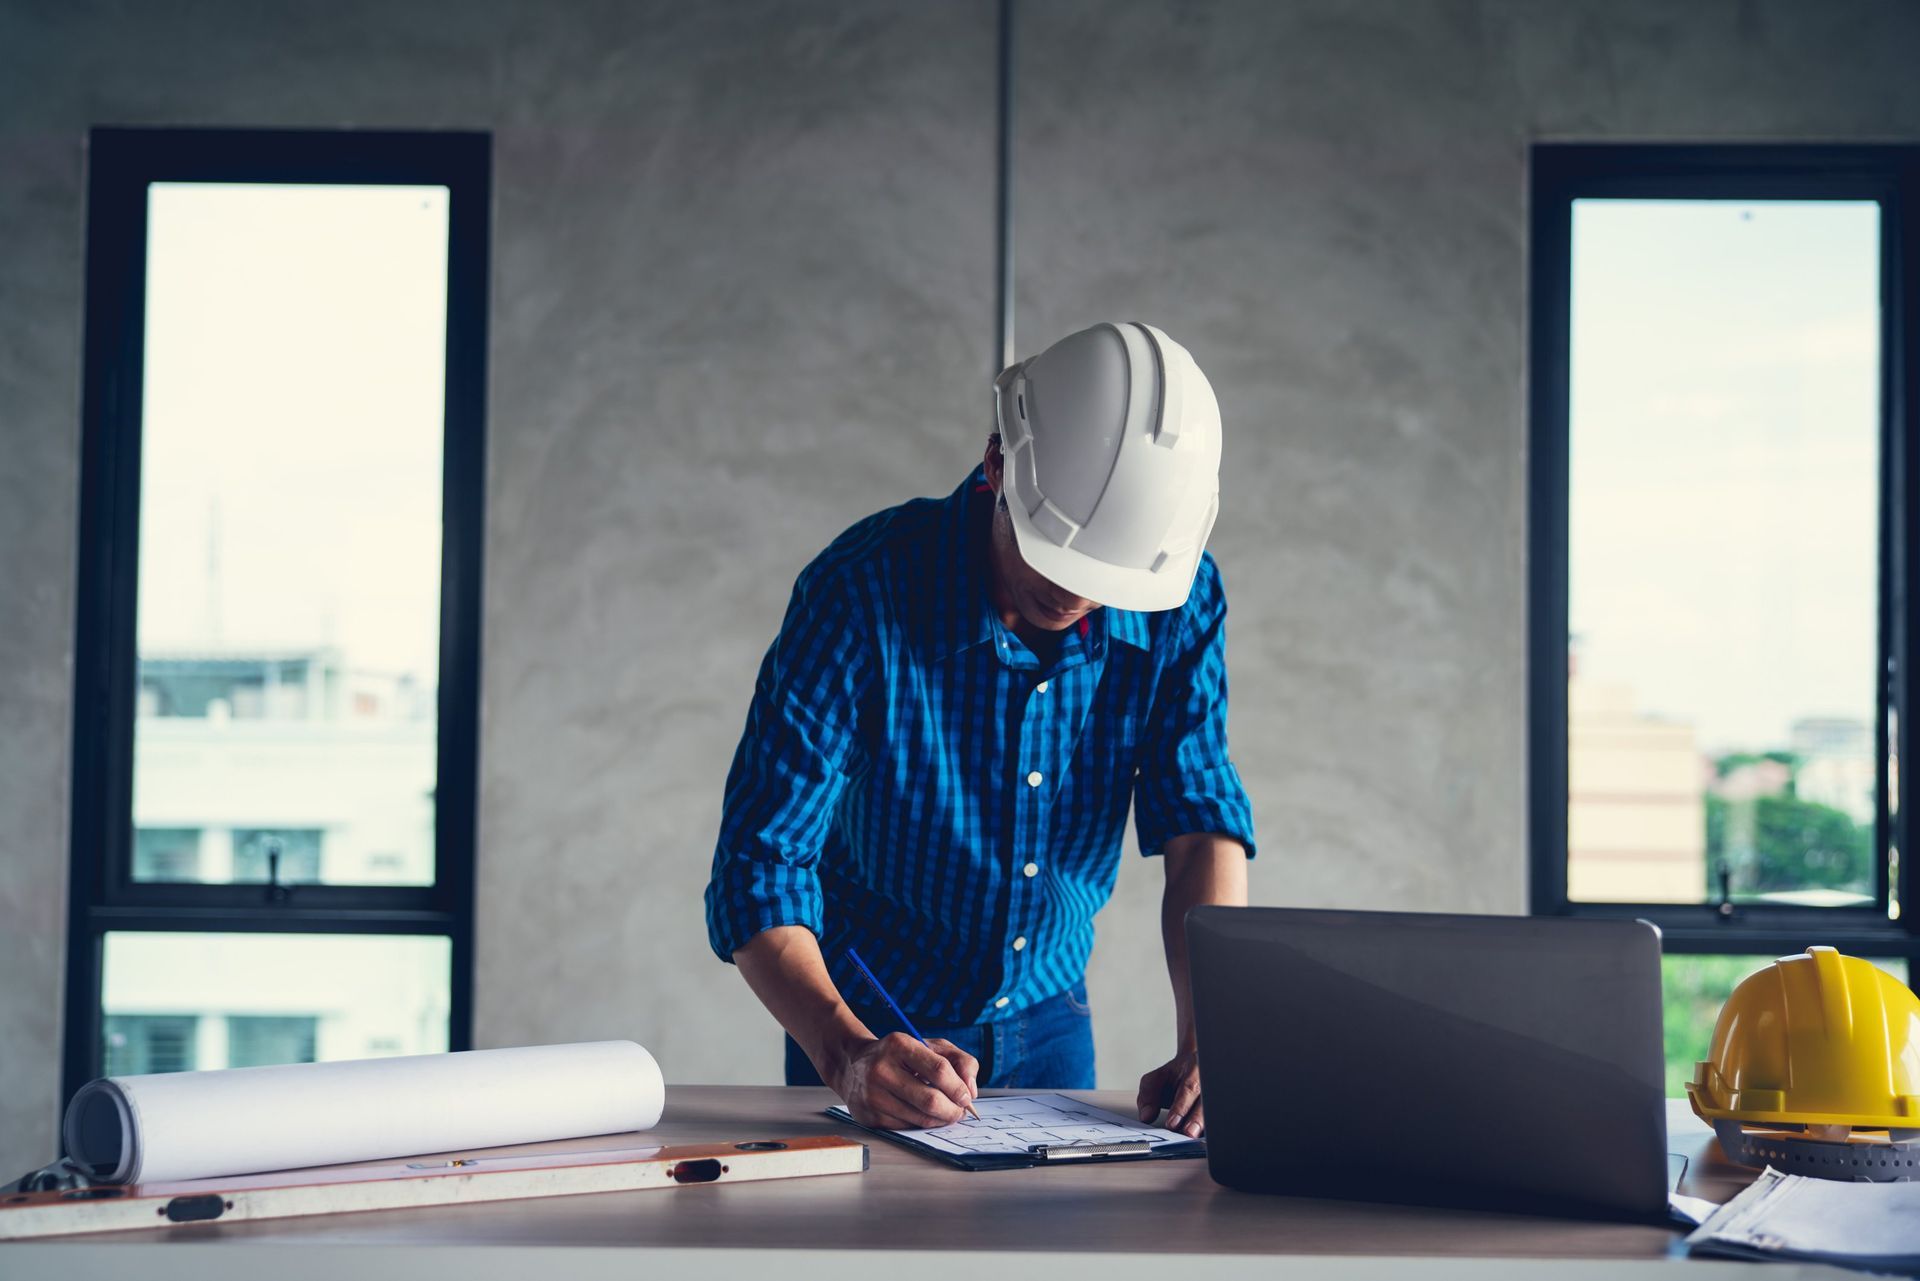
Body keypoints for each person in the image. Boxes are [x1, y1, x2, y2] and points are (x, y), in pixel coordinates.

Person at [704, 321, 1254, 1138]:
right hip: (870, 1016)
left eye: (1105, 585)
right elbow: (760, 865)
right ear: (998, 463)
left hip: (1051, 1015)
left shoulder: (1174, 596)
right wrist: (845, 1053)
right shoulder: (857, 594)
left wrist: (1215, 1033)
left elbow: (1201, 823)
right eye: (1056, 558)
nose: (1076, 601)